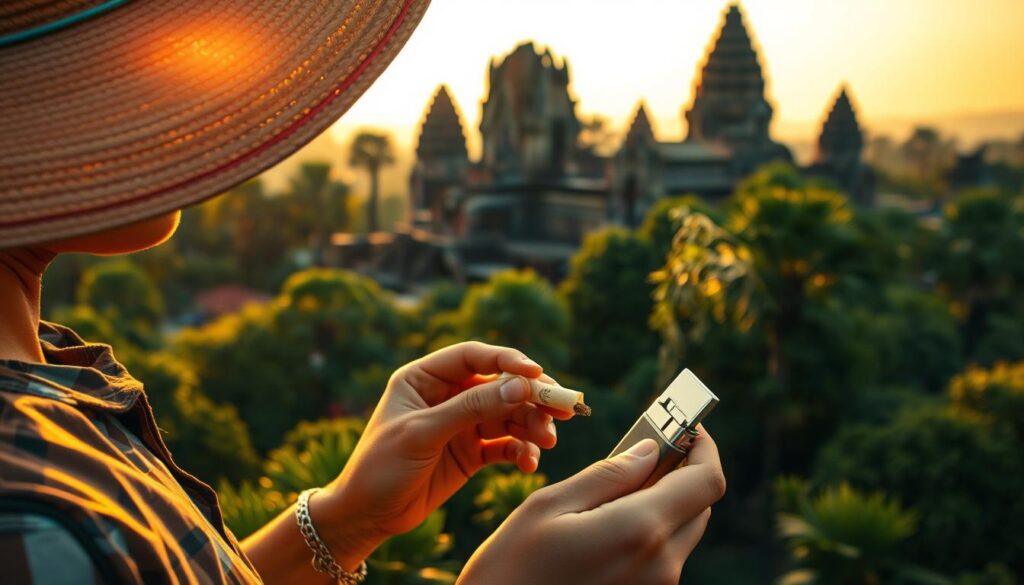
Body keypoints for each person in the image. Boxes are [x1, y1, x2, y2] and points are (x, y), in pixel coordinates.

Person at [0, 2, 725, 583]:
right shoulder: (33, 522)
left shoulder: (54, 372)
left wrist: (344, 519)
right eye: (124, 55)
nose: (173, 76)